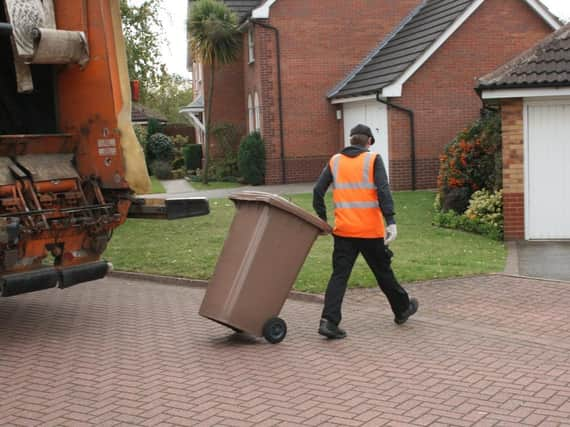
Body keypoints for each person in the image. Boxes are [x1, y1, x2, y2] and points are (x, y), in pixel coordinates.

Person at [313, 124, 418, 339]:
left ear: (351, 140)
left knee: (339, 276)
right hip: (370, 232)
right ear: (369, 141)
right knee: (383, 273)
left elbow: (317, 191)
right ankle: (402, 309)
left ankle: (329, 321)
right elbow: (383, 189)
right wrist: (390, 221)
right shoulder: (373, 159)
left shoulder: (335, 161)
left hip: (343, 232)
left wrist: (322, 220)